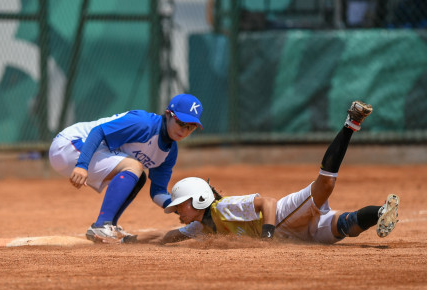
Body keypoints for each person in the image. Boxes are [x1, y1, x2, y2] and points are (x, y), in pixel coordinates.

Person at [118, 100, 400, 245]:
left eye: (180, 206)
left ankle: (351, 123)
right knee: (345, 226)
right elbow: (169, 236)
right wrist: (131, 240)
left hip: (283, 221)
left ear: (199, 201)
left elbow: (267, 203)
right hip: (300, 237)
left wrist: (267, 235)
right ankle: (379, 214)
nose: (177, 211)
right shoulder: (200, 226)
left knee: (324, 187)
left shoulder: (225, 207)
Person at [49, 93, 203, 242]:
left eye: (191, 127)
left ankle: (109, 225)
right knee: (134, 166)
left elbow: (158, 192)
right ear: (168, 114)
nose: (184, 130)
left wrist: (183, 207)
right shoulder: (144, 123)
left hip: (88, 152)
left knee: (139, 177)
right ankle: (101, 226)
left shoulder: (170, 152)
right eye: (181, 123)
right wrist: (82, 165)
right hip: (70, 144)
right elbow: (98, 132)